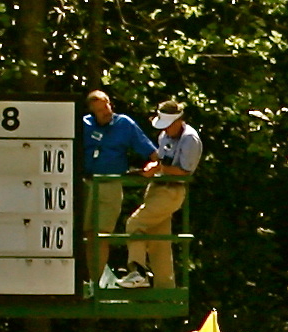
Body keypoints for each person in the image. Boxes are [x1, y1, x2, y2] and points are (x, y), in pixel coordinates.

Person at [77, 89, 157, 285]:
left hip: (110, 184)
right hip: (84, 183)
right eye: (101, 111)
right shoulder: (82, 124)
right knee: (83, 233)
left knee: (102, 234)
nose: (107, 112)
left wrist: (154, 164)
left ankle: (95, 283)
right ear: (92, 112)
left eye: (108, 107)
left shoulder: (124, 124)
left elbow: (152, 152)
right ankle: (82, 281)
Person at [123, 100, 200, 287]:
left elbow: (184, 172)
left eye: (168, 125)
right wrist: (154, 167)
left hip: (172, 191)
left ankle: (137, 272)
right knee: (160, 241)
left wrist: (160, 169)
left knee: (135, 224)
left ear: (178, 121)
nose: (165, 129)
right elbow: (162, 161)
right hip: (157, 188)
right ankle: (165, 290)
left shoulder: (190, 139)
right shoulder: (164, 136)